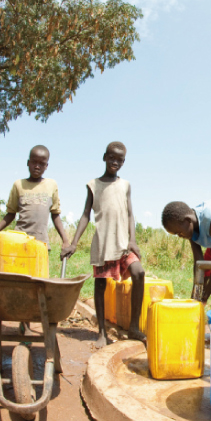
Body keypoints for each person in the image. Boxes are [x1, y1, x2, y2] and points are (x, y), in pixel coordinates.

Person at [62, 142, 145, 346]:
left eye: (119, 159)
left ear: (123, 162)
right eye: (111, 157)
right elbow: (85, 215)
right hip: (103, 242)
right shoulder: (93, 185)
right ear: (104, 157)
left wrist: (132, 240)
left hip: (123, 243)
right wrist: (73, 243)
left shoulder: (125, 185)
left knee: (139, 273)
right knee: (100, 285)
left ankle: (134, 326)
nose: (115, 162)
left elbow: (129, 213)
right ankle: (101, 332)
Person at [0, 144, 69, 335]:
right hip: (18, 245)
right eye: (34, 162)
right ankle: (24, 327)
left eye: (42, 163)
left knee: (39, 287)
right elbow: (10, 214)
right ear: (28, 162)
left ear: (47, 165)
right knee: (21, 288)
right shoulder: (19, 185)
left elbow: (55, 215)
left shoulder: (51, 185)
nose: (37, 166)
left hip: (40, 246)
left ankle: (36, 323)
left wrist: (66, 240)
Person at [162, 199, 211, 303]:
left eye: (179, 232)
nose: (179, 236)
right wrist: (195, 296)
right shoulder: (190, 228)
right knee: (205, 271)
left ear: (188, 220)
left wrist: (205, 296)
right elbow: (198, 264)